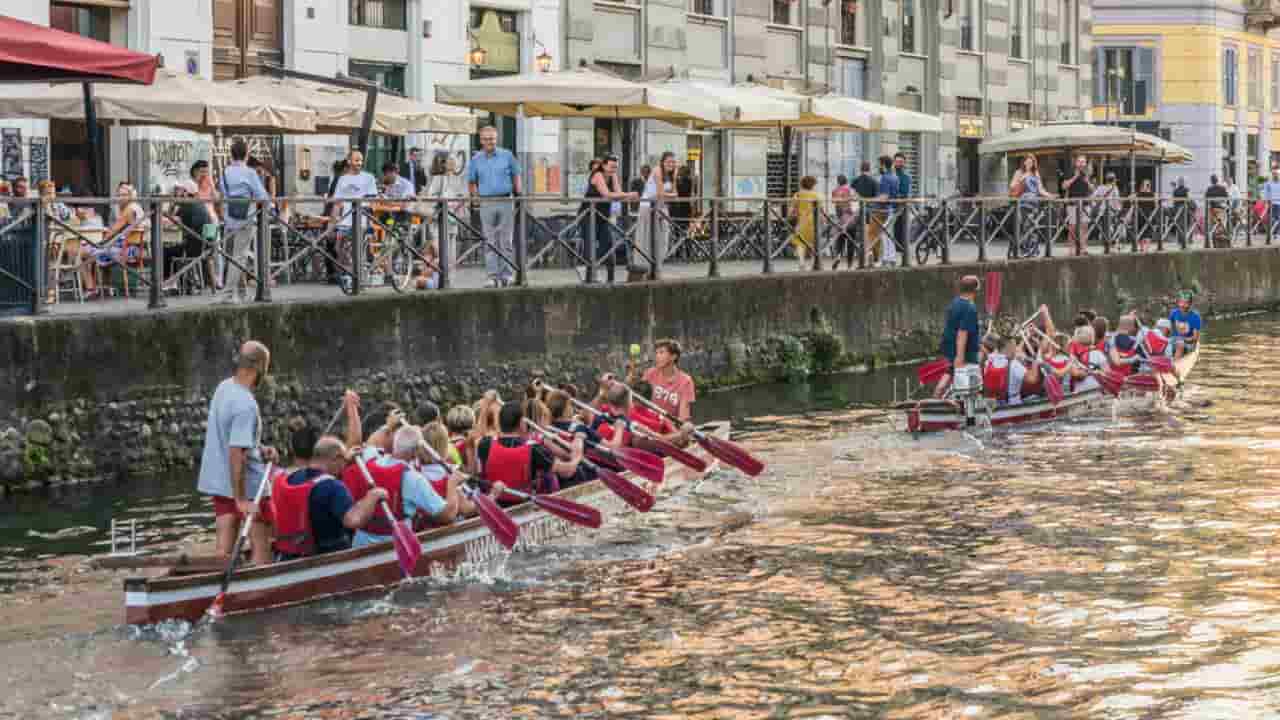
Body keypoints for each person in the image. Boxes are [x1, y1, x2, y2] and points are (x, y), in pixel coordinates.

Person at [196, 341, 279, 565]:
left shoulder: (224, 388)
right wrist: (241, 499)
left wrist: (260, 449)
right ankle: (260, 593)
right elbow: (237, 453)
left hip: (221, 483)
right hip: (250, 487)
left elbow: (233, 438)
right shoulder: (246, 405)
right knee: (263, 544)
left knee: (223, 550)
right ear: (260, 367)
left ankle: (218, 584)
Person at [272, 436, 388, 560]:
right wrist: (373, 496)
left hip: (287, 556)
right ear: (336, 458)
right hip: (326, 558)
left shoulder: (290, 478)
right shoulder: (333, 486)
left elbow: (331, 464)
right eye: (343, 461)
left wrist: (345, 457)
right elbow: (354, 520)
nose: (344, 467)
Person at [346, 425, 461, 547]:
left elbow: (372, 441)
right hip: (394, 547)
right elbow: (447, 515)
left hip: (360, 544)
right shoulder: (413, 478)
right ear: (416, 452)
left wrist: (389, 424)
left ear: (394, 444)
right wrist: (453, 483)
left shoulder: (368, 458)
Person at [477, 401, 583, 502]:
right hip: (525, 505)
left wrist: (486, 404)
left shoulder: (485, 444)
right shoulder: (534, 449)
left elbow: (481, 431)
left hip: (495, 505)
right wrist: (577, 456)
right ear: (522, 423)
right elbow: (568, 471)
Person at [466, 125, 523, 288]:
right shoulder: (476, 159)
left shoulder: (507, 155)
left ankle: (506, 275)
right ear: (481, 140)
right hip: (486, 202)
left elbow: (516, 174)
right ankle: (492, 276)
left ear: (496, 139)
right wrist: (475, 198)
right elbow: (471, 181)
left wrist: (519, 194)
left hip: (506, 200)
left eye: (492, 138)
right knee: (490, 240)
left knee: (506, 240)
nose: (489, 142)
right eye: (486, 139)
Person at [218, 140, 272, 304]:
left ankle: (241, 293)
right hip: (246, 218)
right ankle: (227, 295)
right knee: (239, 256)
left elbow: (223, 194)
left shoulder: (225, 172)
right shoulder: (250, 173)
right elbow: (263, 197)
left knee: (232, 256)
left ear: (231, 154)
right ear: (246, 154)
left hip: (229, 218)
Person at [329, 150, 380, 290]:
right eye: (356, 160)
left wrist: (371, 221)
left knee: (356, 251)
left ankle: (356, 278)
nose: (359, 163)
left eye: (361, 160)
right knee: (339, 249)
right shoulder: (342, 179)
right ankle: (351, 275)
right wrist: (331, 224)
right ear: (349, 161)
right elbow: (337, 203)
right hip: (345, 220)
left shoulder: (368, 178)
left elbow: (373, 201)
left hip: (361, 220)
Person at [584, 154, 637, 283]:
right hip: (588, 215)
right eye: (612, 166)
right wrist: (628, 195)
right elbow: (607, 194)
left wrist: (625, 196)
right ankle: (590, 279)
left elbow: (618, 193)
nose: (614, 169)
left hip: (603, 216)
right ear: (604, 165)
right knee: (590, 247)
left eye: (616, 167)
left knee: (609, 246)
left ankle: (610, 280)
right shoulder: (597, 175)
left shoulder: (612, 176)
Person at [935, 275, 981, 398]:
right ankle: (967, 407)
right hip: (966, 352)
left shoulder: (955, 302)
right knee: (971, 383)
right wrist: (960, 357)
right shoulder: (970, 308)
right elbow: (962, 332)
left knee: (950, 371)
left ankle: (938, 393)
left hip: (950, 348)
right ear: (975, 290)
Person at [634, 152, 677, 282]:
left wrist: (674, 179)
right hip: (648, 207)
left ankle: (657, 267)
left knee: (663, 238)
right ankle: (646, 270)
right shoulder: (657, 170)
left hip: (661, 207)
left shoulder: (671, 174)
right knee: (647, 239)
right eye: (668, 161)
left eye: (673, 162)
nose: (671, 164)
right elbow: (660, 193)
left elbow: (675, 194)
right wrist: (670, 195)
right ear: (662, 162)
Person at [162, 179, 213, 283]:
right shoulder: (200, 203)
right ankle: (184, 281)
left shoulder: (186, 205)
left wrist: (172, 205)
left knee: (166, 251)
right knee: (174, 248)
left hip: (193, 248)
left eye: (179, 191)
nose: (177, 193)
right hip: (206, 246)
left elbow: (170, 219)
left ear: (185, 192)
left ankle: (168, 282)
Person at [867, 156, 898, 266]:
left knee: (873, 233)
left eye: (879, 164)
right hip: (891, 209)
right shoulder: (894, 176)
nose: (878, 167)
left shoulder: (885, 177)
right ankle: (890, 258)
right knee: (887, 234)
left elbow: (884, 197)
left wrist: (868, 200)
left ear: (883, 165)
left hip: (881, 210)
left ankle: (875, 258)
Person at [982, 334, 1027, 405]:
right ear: (1009, 348)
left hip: (993, 405)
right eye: (1015, 347)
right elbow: (1032, 379)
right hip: (1012, 404)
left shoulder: (988, 362)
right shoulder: (1014, 364)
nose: (1016, 350)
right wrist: (1037, 360)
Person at [1062, 156, 1093, 255]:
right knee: (1072, 227)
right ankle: (1071, 249)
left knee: (1084, 226)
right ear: (1076, 163)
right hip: (1072, 203)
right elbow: (1064, 186)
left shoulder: (1087, 174)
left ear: (1085, 164)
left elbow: (1092, 189)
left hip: (1085, 203)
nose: (1081, 164)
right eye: (1079, 161)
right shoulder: (1070, 172)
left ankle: (1083, 248)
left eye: (1083, 162)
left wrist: (1088, 181)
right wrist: (1074, 177)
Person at [789, 176, 821, 271]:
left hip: (802, 222)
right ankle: (814, 263)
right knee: (814, 243)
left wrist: (790, 216)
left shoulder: (798, 195)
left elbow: (791, 210)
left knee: (800, 243)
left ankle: (801, 263)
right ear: (813, 185)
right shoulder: (817, 196)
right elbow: (822, 211)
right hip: (814, 223)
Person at [893, 152, 912, 263]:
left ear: (904, 163)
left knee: (902, 230)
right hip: (891, 208)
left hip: (902, 208)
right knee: (893, 231)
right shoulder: (891, 174)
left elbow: (906, 193)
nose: (898, 163)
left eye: (900, 162)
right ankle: (894, 252)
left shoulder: (906, 177)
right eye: (896, 161)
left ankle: (903, 253)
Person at [1169, 290, 1201, 355]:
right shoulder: (1174, 313)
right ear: (1178, 303)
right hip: (1175, 340)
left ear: (1190, 304)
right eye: (1181, 302)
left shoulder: (1195, 316)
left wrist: (1183, 340)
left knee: (1180, 345)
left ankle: (1175, 364)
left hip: (1188, 343)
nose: (1183, 305)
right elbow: (1170, 329)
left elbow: (1195, 338)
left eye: (1186, 303)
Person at [1205, 174, 1230, 248]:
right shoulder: (1222, 188)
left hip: (1212, 210)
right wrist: (1227, 207)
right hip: (1221, 209)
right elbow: (1227, 198)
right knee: (1222, 226)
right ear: (1217, 180)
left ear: (1211, 181)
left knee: (1213, 227)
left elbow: (1206, 200)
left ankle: (1214, 243)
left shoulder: (1209, 189)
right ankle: (1222, 243)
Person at [1135, 179, 1157, 252]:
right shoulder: (1153, 194)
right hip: (1149, 214)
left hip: (1140, 214)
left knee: (1141, 230)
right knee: (1148, 232)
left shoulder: (1138, 194)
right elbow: (1155, 205)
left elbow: (1132, 201)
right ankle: (1146, 248)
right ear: (1149, 186)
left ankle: (1142, 247)